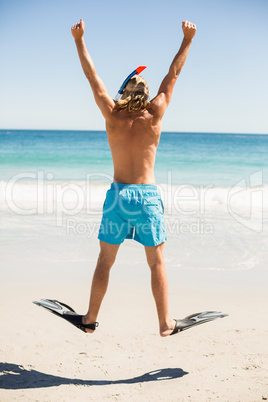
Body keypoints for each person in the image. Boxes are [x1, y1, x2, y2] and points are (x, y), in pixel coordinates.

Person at [71, 18, 196, 336]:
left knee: (105, 260)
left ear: (123, 92)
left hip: (119, 197)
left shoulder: (112, 114)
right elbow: (174, 74)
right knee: (156, 263)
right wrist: (186, 39)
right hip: (147, 197)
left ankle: (90, 320)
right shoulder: (155, 113)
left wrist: (80, 40)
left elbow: (91, 76)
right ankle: (165, 323)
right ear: (147, 94)